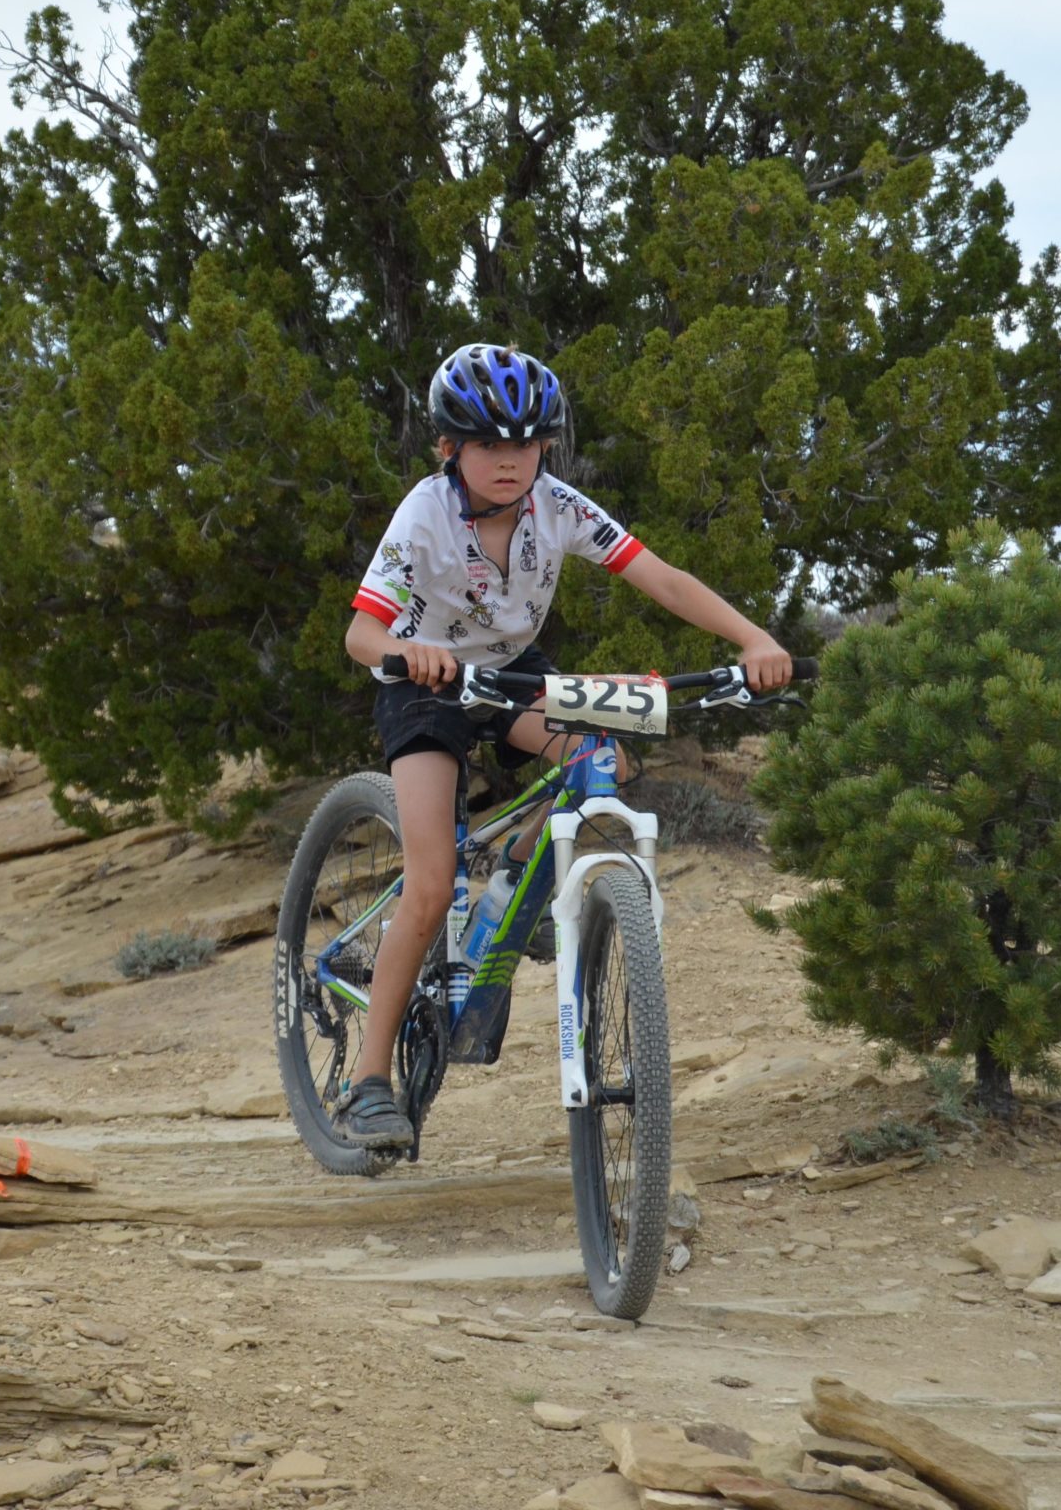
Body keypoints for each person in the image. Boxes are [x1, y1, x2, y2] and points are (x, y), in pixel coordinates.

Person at [337, 344, 789, 1149]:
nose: (509, 462)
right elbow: (361, 631)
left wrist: (755, 639)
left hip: (511, 674)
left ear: (546, 445)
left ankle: (516, 878)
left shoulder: (561, 506)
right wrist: (407, 654)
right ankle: (369, 1079)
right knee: (432, 881)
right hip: (425, 684)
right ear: (449, 449)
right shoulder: (423, 515)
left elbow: (663, 578)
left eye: (525, 444)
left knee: (601, 758)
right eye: (488, 445)